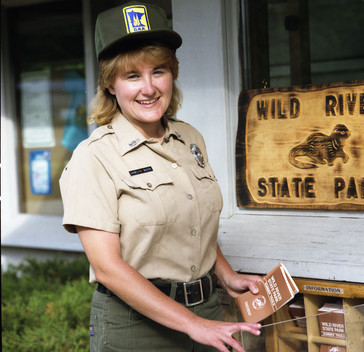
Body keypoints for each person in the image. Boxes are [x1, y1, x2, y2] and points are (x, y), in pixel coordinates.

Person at [60, 2, 262, 351]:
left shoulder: (190, 139)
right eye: (132, 76)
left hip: (207, 310)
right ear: (111, 83)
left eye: (159, 70)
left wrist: (226, 275)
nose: (149, 88)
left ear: (174, 72)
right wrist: (192, 324)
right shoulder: (94, 157)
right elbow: (108, 268)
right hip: (136, 329)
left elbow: (190, 223)